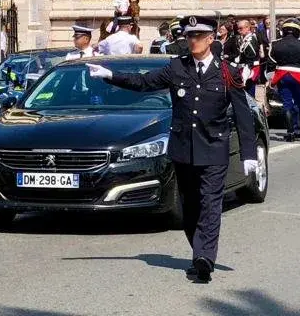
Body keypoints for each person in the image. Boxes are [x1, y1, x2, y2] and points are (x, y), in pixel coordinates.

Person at [86, 15, 258, 284]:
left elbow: (243, 114)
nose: (192, 41)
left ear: (210, 39)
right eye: (189, 36)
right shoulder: (177, 68)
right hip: (184, 148)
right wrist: (110, 75)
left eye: (198, 36)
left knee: (211, 203)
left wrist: (249, 154)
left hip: (214, 147)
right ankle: (198, 250)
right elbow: (144, 83)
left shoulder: (227, 72)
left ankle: (204, 258)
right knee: (190, 206)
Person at [266, 20, 300, 142]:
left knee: (287, 105)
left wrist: (271, 80)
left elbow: (270, 64)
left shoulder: (275, 44)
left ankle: (290, 134)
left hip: (283, 76)